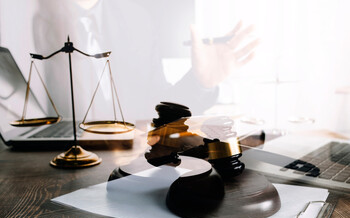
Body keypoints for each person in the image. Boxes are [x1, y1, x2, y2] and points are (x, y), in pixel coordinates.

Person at [33, 0, 258, 123]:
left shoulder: (136, 19)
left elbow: (156, 109)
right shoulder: (23, 17)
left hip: (126, 169)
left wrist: (200, 82)